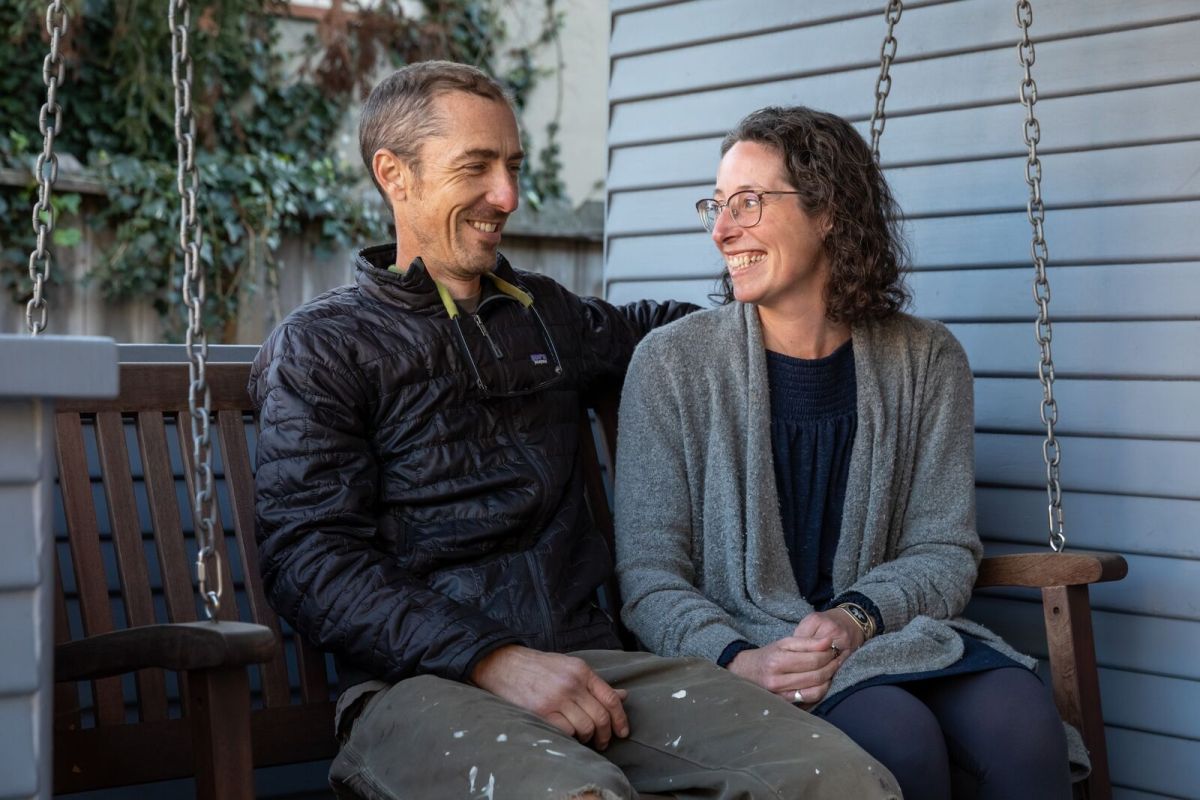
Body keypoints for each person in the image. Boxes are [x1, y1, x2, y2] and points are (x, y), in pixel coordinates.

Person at [251, 64, 901, 800]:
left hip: (599, 669)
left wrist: (822, 302)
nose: (508, 197)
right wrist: (493, 658)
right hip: (423, 686)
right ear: (394, 175)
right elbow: (309, 558)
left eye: (513, 167)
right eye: (478, 167)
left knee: (845, 779)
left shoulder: (545, 318)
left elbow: (674, 334)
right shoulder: (324, 346)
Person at [614, 105, 1084, 800]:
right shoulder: (672, 366)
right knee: (897, 738)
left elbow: (944, 548)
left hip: (889, 634)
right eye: (715, 205)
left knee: (1025, 726)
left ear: (827, 210)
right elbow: (651, 576)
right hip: (745, 652)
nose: (721, 230)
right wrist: (738, 658)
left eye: (747, 203)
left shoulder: (927, 359)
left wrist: (854, 616)